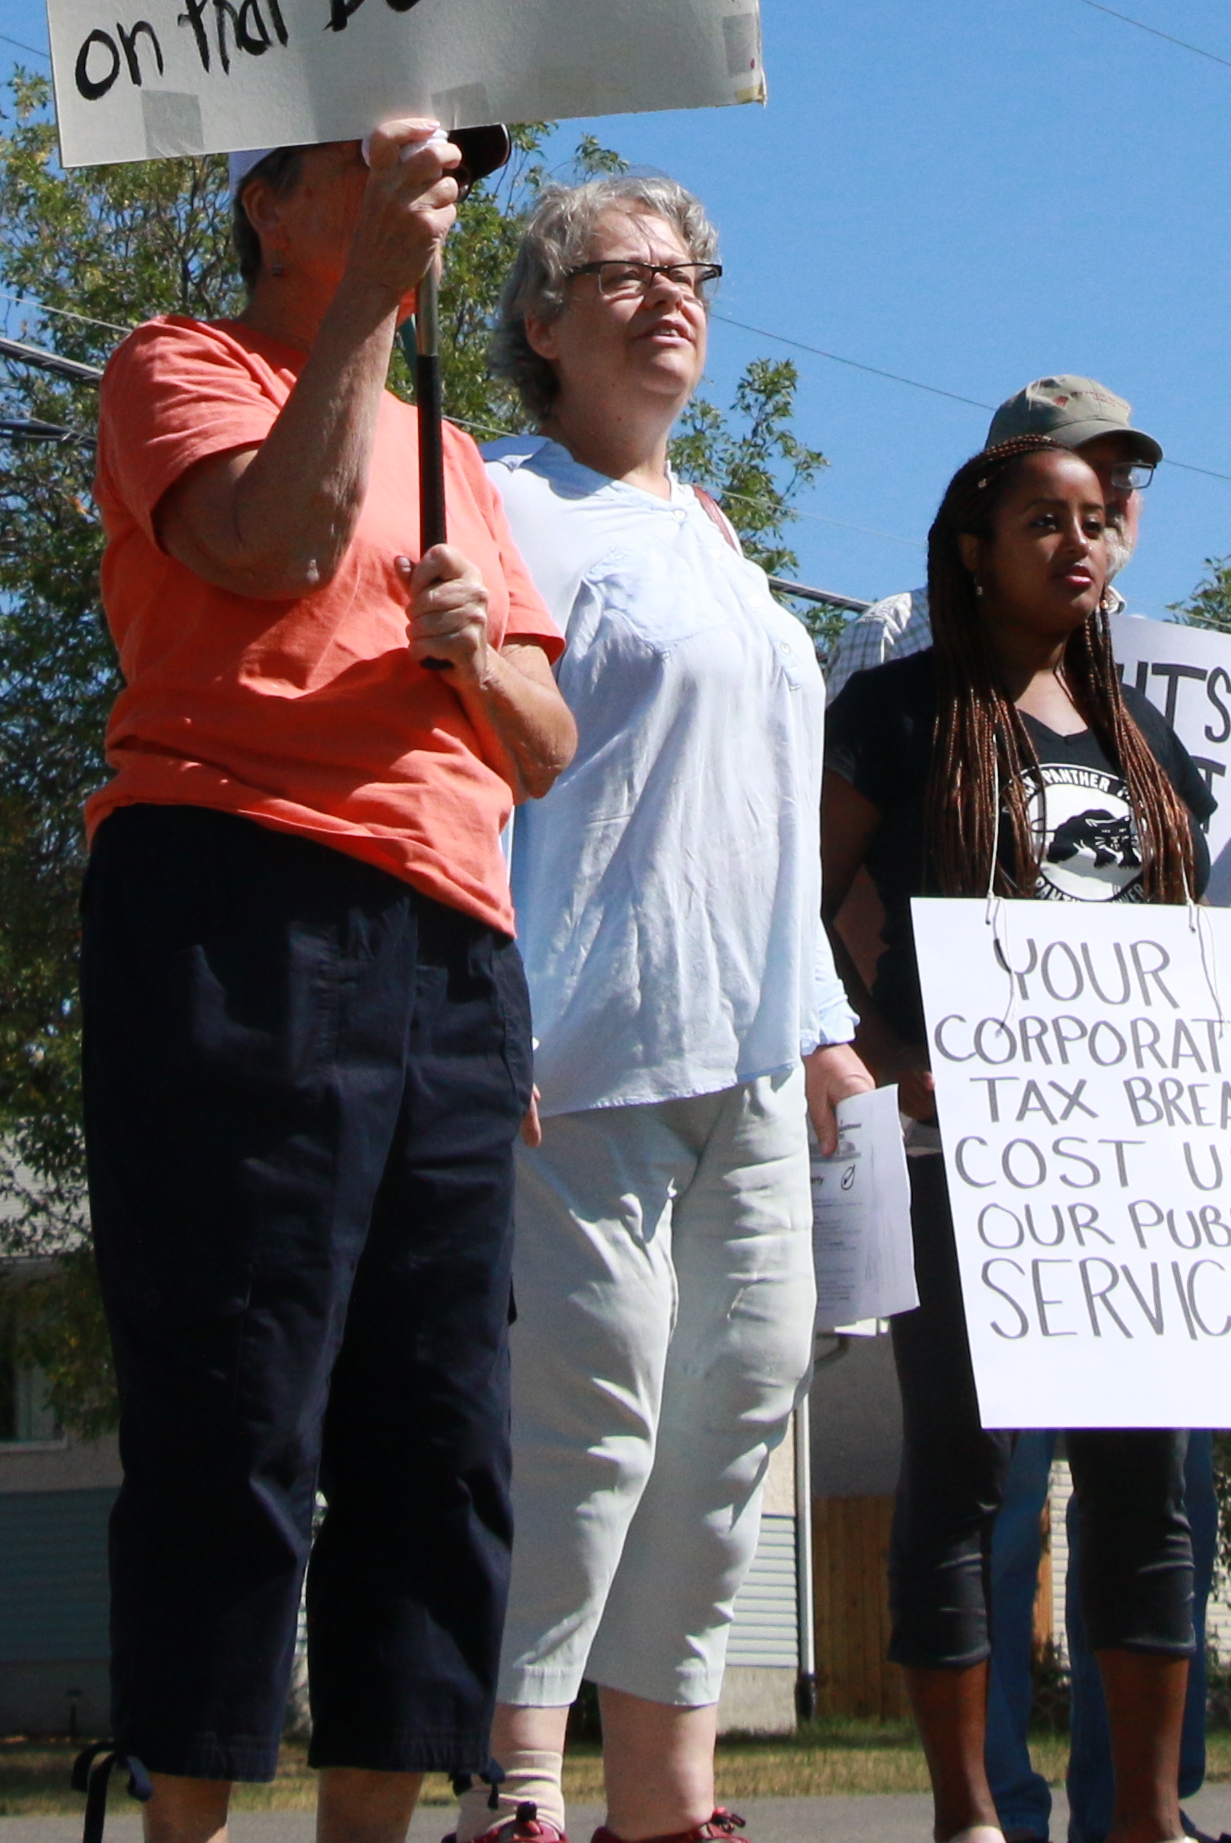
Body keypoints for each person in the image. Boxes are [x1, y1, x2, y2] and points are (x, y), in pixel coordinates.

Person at [88, 121, 574, 1843]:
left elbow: (540, 740)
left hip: (448, 939)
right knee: (235, 1391)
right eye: (369, 170)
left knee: (435, 1423)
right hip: (233, 894)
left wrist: (469, 652)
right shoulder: (178, 364)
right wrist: (372, 294)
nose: (427, 198)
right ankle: (186, 1815)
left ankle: (376, 1816)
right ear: (267, 200)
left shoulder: (453, 454)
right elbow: (270, 546)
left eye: (442, 175)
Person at [469, 167, 866, 1843]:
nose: (669, 291)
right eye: (621, 270)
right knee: (592, 1418)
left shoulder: (711, 527)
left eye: (690, 265)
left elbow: (762, 795)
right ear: (541, 325)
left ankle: (667, 1799)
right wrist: (478, 1019)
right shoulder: (495, 498)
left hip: (753, 1055)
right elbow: (465, 771)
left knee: (732, 1418)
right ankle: (513, 1786)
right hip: (577, 1048)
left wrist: (828, 1017)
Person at [824, 434, 1227, 1843]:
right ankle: (970, 1813)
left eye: (1099, 523)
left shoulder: (1145, 739)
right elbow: (802, 903)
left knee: (1145, 1483)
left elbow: (1187, 935)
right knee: (962, 1474)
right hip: (957, 1158)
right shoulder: (896, 710)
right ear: (972, 549)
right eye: (1045, 522)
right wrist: (877, 1050)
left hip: (1131, 1166)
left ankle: (1148, 1820)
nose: (1081, 544)